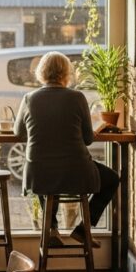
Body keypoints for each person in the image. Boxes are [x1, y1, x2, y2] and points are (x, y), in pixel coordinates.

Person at [15, 51, 120, 244]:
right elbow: (88, 139)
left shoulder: (29, 98)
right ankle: (83, 229)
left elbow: (18, 133)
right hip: (76, 172)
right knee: (112, 178)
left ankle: (51, 229)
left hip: (39, 173)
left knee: (46, 174)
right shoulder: (77, 98)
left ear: (41, 72)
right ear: (66, 73)